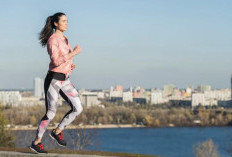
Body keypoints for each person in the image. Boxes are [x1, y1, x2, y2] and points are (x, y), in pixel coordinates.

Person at [29, 12, 83, 154]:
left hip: (65, 79)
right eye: (63, 21)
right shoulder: (53, 40)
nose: (66, 23)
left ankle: (57, 131)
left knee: (78, 108)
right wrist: (74, 53)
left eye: (67, 21)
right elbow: (55, 61)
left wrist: (70, 66)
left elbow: (64, 60)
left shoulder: (65, 39)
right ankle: (36, 142)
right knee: (51, 113)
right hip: (53, 80)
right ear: (55, 24)